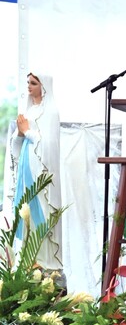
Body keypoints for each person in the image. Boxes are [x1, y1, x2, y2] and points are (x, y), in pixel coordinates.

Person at [5, 73, 64, 278]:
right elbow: (18, 141)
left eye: (33, 83)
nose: (29, 86)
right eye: (28, 83)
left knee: (40, 210)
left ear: (43, 86)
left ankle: (44, 261)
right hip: (26, 166)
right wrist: (20, 134)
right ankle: (28, 259)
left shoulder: (51, 111)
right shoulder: (30, 110)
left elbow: (49, 145)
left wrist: (27, 131)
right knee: (25, 210)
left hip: (40, 170)